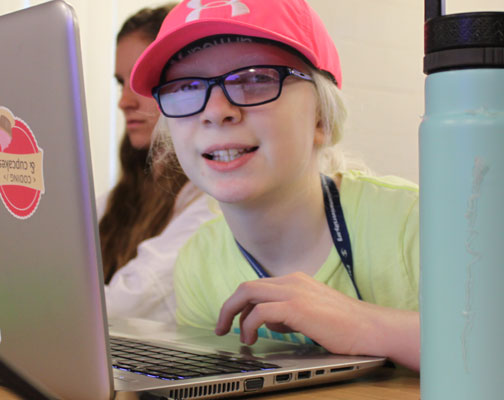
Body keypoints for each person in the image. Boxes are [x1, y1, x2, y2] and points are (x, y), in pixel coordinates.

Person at [130, 0, 420, 370]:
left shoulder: (418, 224)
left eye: (254, 78)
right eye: (186, 86)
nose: (216, 110)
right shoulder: (199, 261)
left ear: (321, 118)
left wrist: (365, 325)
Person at [98, 4, 218, 324]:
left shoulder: (213, 199)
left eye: (140, 80)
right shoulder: (124, 194)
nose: (124, 101)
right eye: (120, 82)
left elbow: (124, 308)